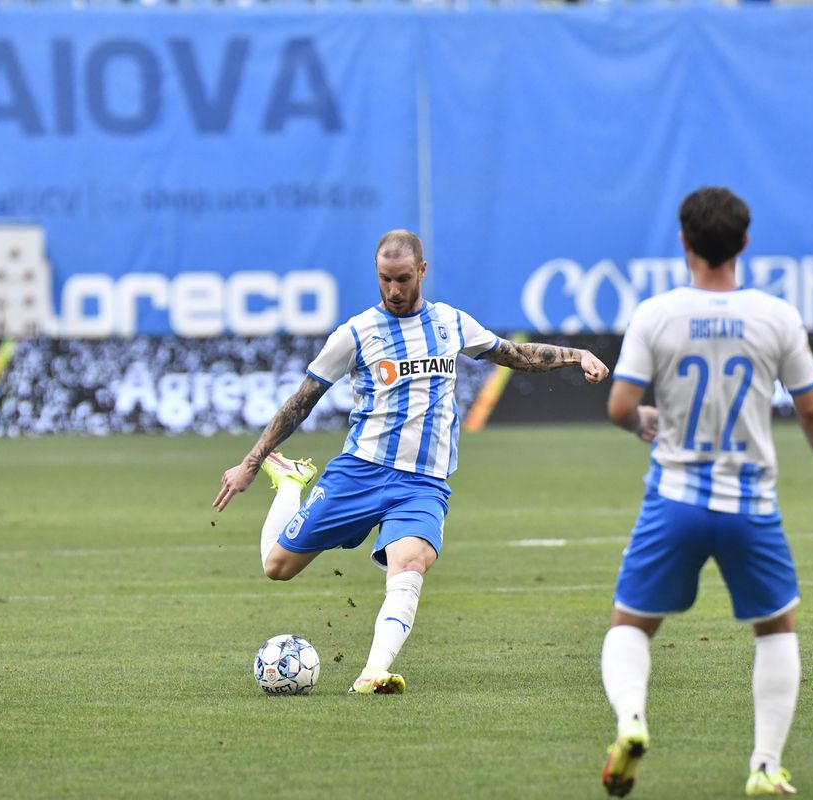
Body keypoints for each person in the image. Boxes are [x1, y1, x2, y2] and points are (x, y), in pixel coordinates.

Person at [214, 229, 610, 694]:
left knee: (410, 566)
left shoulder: (451, 323)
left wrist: (578, 355)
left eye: (403, 278)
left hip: (423, 484)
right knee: (277, 566)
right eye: (385, 279)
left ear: (422, 271)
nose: (394, 290)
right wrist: (252, 463)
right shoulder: (355, 334)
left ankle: (372, 673)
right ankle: (289, 482)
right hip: (360, 472)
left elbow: (516, 354)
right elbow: (302, 402)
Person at [599, 187, 813, 797]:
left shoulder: (656, 314)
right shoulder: (776, 316)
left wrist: (642, 423)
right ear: (744, 242)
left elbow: (619, 406)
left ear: (684, 242)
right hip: (750, 506)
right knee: (775, 628)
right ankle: (765, 768)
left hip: (675, 500)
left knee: (630, 624)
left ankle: (632, 721)